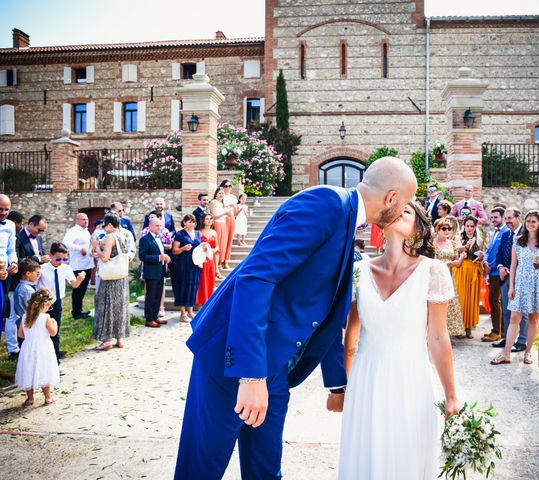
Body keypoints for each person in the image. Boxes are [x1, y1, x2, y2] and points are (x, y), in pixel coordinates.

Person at [174, 156, 417, 479]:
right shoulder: (326, 203)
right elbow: (256, 278)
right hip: (232, 360)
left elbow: (324, 311)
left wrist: (337, 384)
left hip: (275, 368)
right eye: (405, 205)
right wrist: (250, 376)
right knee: (201, 470)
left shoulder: (346, 222)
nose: (404, 213)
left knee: (265, 472)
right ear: (390, 198)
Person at [339, 202, 460, 478]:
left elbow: (439, 337)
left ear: (418, 227)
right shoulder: (360, 270)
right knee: (365, 461)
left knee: (407, 462)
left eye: (406, 211)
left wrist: (451, 395)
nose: (397, 212)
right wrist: (345, 386)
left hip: (411, 381)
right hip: (365, 383)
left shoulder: (433, 271)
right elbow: (352, 335)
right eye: (393, 208)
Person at [491, 211, 539, 366]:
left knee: (533, 319)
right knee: (514, 318)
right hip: (520, 282)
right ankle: (506, 353)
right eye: (528, 221)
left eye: (533, 221)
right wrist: (511, 287)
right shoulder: (517, 241)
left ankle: (528, 352)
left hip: (537, 284)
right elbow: (513, 265)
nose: (530, 224)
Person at [36, 243, 85, 365]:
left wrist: (79, 279)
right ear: (50, 255)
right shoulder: (42, 269)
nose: (61, 261)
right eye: (58, 258)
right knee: (42, 329)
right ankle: (41, 357)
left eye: (64, 259)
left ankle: (55, 360)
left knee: (55, 330)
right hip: (43, 303)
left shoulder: (66, 268)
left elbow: (74, 285)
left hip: (57, 302)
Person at [91, 214, 130, 351]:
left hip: (110, 278)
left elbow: (106, 258)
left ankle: (107, 340)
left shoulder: (109, 237)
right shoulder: (122, 236)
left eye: (104, 225)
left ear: (109, 225)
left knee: (107, 306)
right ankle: (119, 338)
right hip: (121, 277)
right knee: (120, 306)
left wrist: (96, 248)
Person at [15, 288, 59, 407]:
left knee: (29, 371)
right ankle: (48, 398)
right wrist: (55, 324)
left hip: (28, 349)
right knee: (44, 371)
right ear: (44, 305)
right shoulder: (46, 317)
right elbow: (53, 333)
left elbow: (20, 335)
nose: (49, 309)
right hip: (43, 348)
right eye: (49, 306)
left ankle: (30, 399)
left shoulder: (25, 316)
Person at [494, 208, 528, 352]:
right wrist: (501, 267)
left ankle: (522, 341)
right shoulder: (506, 234)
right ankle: (509, 339)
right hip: (505, 277)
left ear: (518, 217)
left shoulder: (526, 234)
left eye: (510, 218)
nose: (507, 221)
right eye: (506, 218)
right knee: (507, 309)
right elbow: (499, 253)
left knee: (522, 310)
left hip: (521, 278)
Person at [433, 218, 466, 338]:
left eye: (449, 228)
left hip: (450, 277)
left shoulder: (451, 243)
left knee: (450, 305)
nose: (447, 231)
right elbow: (433, 262)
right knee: (438, 305)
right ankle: (436, 333)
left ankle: (447, 333)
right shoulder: (433, 244)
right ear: (437, 230)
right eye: (444, 228)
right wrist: (449, 264)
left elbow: (456, 261)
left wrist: (461, 258)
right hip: (437, 279)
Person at [454, 215, 485, 338]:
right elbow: (456, 254)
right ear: (464, 226)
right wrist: (466, 246)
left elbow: (480, 258)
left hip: (473, 271)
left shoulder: (480, 241)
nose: (469, 228)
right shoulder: (459, 239)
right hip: (461, 270)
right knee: (461, 298)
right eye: (467, 226)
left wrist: (481, 258)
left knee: (471, 299)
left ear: (475, 227)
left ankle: (468, 327)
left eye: (472, 226)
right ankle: (459, 327)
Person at [481, 206, 508, 342]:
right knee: (496, 301)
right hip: (491, 271)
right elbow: (489, 250)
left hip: (499, 272)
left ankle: (497, 331)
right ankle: (501, 331)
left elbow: (502, 254)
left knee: (495, 300)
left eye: (496, 217)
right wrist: (485, 262)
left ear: (503, 217)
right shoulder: (494, 233)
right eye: (491, 217)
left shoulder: (506, 232)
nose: (493, 220)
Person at [139, 216, 171, 328]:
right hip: (151, 272)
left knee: (158, 295)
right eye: (157, 225)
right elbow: (142, 256)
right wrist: (158, 257)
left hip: (160, 271)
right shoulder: (145, 239)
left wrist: (166, 258)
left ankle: (155, 316)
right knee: (151, 296)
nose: (159, 227)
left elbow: (161, 254)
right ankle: (149, 319)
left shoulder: (160, 238)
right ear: (150, 226)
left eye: (160, 225)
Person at [6, 259, 40, 360]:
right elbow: (31, 309)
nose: (38, 276)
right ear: (28, 274)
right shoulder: (27, 290)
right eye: (37, 273)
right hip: (28, 323)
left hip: (23, 322)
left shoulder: (22, 286)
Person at [62, 213, 94, 320]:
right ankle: (76, 313)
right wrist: (79, 248)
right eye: (83, 219)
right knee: (78, 289)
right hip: (78, 265)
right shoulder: (72, 231)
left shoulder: (86, 231)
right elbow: (65, 243)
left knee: (83, 289)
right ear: (77, 220)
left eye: (87, 219)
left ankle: (80, 310)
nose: (86, 221)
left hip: (87, 264)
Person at [172, 214, 202, 322]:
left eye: (193, 222)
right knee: (183, 287)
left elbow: (200, 248)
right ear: (184, 223)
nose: (191, 224)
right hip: (183, 264)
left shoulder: (198, 233)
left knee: (193, 286)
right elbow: (174, 250)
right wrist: (183, 248)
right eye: (189, 221)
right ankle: (183, 313)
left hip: (195, 264)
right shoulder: (180, 234)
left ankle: (190, 311)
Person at [0, 194, 18, 329]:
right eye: (0, 209)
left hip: (5, 274)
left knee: (2, 311)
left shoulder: (11, 225)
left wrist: (13, 263)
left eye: (7, 209)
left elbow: (11, 249)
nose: (4, 213)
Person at [196, 214, 219, 306]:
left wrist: (213, 250)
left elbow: (217, 246)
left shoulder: (214, 232)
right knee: (201, 281)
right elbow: (197, 246)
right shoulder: (199, 232)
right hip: (202, 259)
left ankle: (207, 304)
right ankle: (199, 305)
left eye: (210, 219)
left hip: (211, 260)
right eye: (207, 219)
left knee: (210, 281)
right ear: (203, 221)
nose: (209, 220)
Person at [211, 187, 230, 271]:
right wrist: (225, 213)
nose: (221, 194)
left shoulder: (221, 203)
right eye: (220, 193)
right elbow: (214, 216)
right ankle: (217, 264)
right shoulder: (214, 202)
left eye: (222, 193)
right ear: (216, 194)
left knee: (223, 244)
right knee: (218, 243)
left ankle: (220, 262)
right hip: (217, 224)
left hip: (223, 224)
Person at [221, 181, 238, 267]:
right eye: (226, 186)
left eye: (229, 186)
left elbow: (235, 213)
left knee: (229, 240)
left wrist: (234, 207)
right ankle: (221, 260)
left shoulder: (234, 197)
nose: (228, 187)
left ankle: (226, 260)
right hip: (223, 219)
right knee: (223, 240)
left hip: (231, 218)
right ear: (222, 187)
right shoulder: (221, 196)